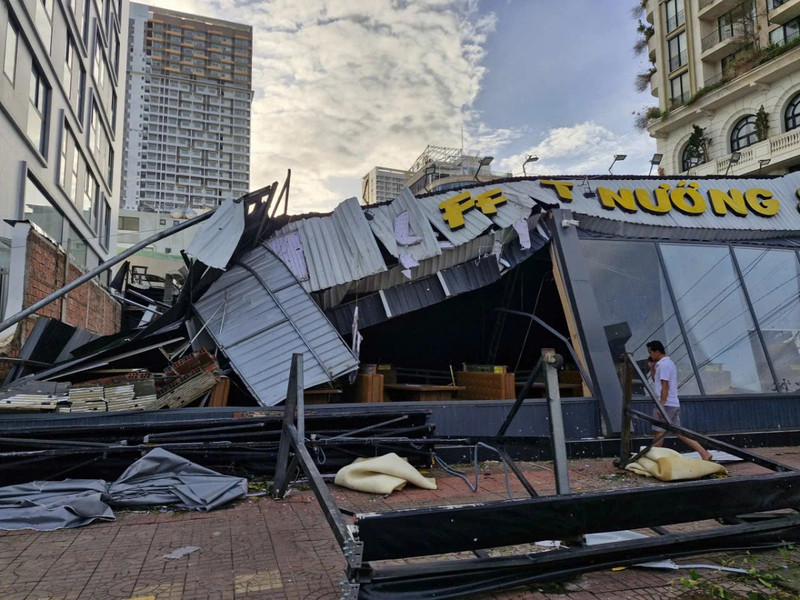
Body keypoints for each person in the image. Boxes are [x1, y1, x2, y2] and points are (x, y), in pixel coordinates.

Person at [646, 340, 713, 461]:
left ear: (657, 352)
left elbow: (665, 386)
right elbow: (657, 381)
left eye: (650, 352)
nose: (650, 355)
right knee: (678, 432)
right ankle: (704, 453)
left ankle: (655, 459)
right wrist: (652, 369)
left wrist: (661, 405)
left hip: (666, 404)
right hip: (672, 403)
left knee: (658, 433)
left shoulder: (664, 365)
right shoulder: (665, 364)